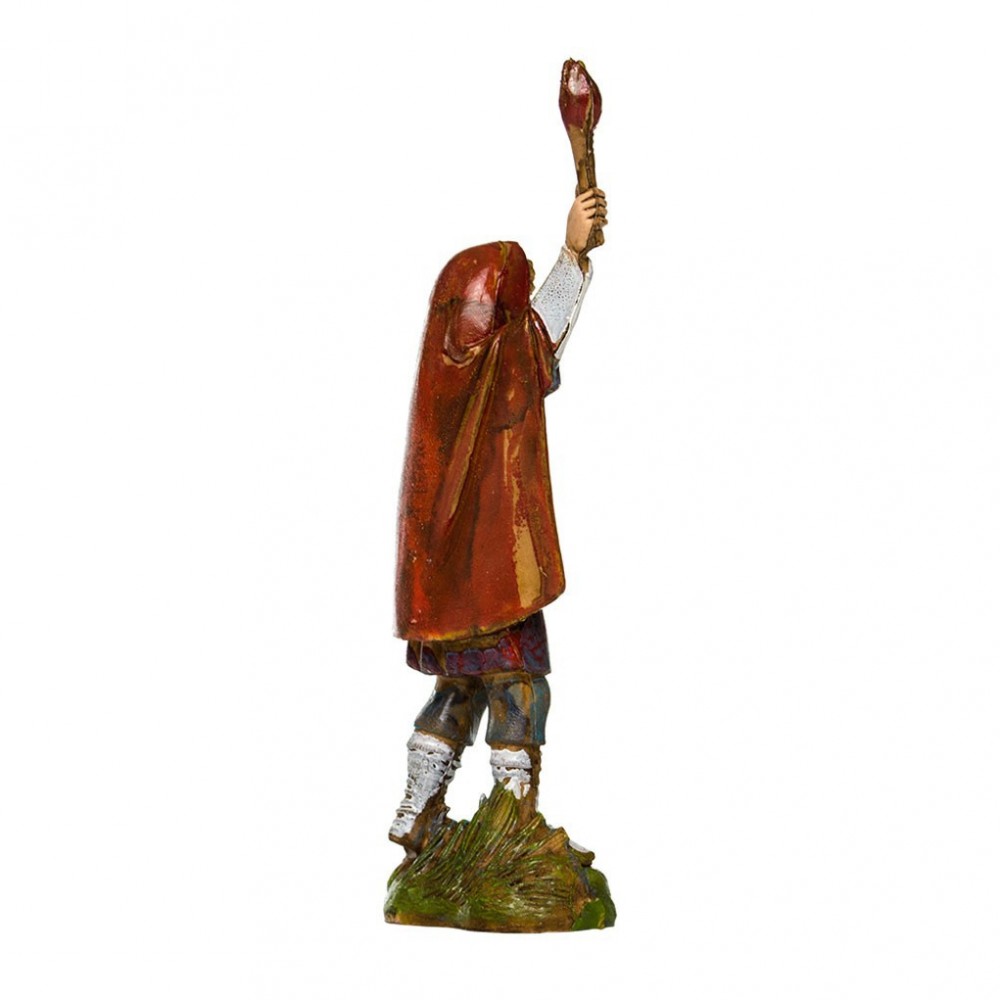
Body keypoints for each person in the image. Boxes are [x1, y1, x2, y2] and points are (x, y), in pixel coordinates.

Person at [389, 188, 608, 857]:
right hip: (498, 580)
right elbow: (540, 334)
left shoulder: (446, 369)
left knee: (457, 686)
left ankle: (416, 809)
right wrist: (572, 253)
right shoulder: (499, 361)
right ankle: (513, 820)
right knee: (518, 691)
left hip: (448, 585)